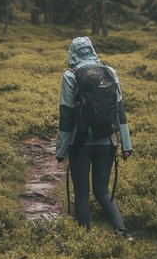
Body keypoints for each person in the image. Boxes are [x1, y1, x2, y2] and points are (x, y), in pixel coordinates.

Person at [56, 36, 133, 237]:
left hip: (79, 143)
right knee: (102, 190)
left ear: (72, 52)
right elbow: (120, 111)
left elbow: (66, 116)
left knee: (82, 192)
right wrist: (126, 145)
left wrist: (61, 150)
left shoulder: (70, 75)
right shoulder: (110, 72)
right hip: (108, 142)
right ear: (92, 50)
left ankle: (84, 238)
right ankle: (123, 231)